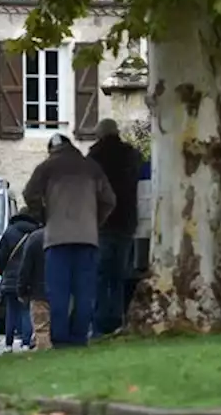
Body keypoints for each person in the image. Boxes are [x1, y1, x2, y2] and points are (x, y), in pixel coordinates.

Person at [23, 133, 116, 347]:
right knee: (85, 291)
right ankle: (79, 336)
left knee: (58, 292)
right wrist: (94, 221)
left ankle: (61, 338)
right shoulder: (91, 167)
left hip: (57, 238)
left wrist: (44, 216)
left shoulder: (46, 167)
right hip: (87, 238)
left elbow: (30, 195)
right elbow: (109, 200)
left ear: (51, 149)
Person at [87, 118, 144, 337]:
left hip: (102, 224)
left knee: (101, 274)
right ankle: (119, 316)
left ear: (99, 135)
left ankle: (101, 324)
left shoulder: (93, 159)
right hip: (126, 222)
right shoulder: (132, 156)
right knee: (120, 274)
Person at [0, 206, 41, 352]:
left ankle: (9, 344)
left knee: (11, 311)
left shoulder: (9, 232)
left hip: (10, 276)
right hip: (29, 277)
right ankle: (26, 342)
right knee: (25, 310)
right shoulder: (36, 232)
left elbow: (1, 253)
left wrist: (1, 271)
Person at [16, 226, 51, 350]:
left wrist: (21, 290)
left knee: (42, 329)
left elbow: (26, 267)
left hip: (39, 291)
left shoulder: (35, 238)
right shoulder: (65, 236)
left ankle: (45, 359)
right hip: (64, 290)